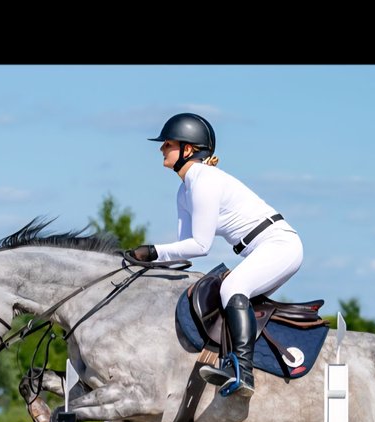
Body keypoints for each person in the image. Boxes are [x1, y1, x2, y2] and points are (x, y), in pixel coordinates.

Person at [129, 113, 303, 398]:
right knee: (226, 299)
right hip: (262, 248)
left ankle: (242, 371)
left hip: (280, 245)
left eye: (168, 143)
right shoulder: (184, 191)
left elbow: (201, 246)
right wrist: (142, 262)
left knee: (231, 287)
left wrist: (153, 250)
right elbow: (183, 250)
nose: (161, 148)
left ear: (188, 149)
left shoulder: (204, 180)